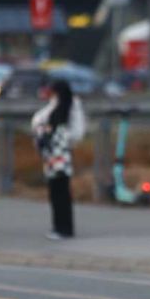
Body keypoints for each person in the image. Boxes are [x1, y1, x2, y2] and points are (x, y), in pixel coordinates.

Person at [31, 79, 86, 240]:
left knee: (61, 191)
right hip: (53, 155)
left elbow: (77, 131)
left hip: (61, 154)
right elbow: (38, 120)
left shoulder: (72, 105)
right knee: (55, 191)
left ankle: (64, 228)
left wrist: (61, 137)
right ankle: (58, 226)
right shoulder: (54, 105)